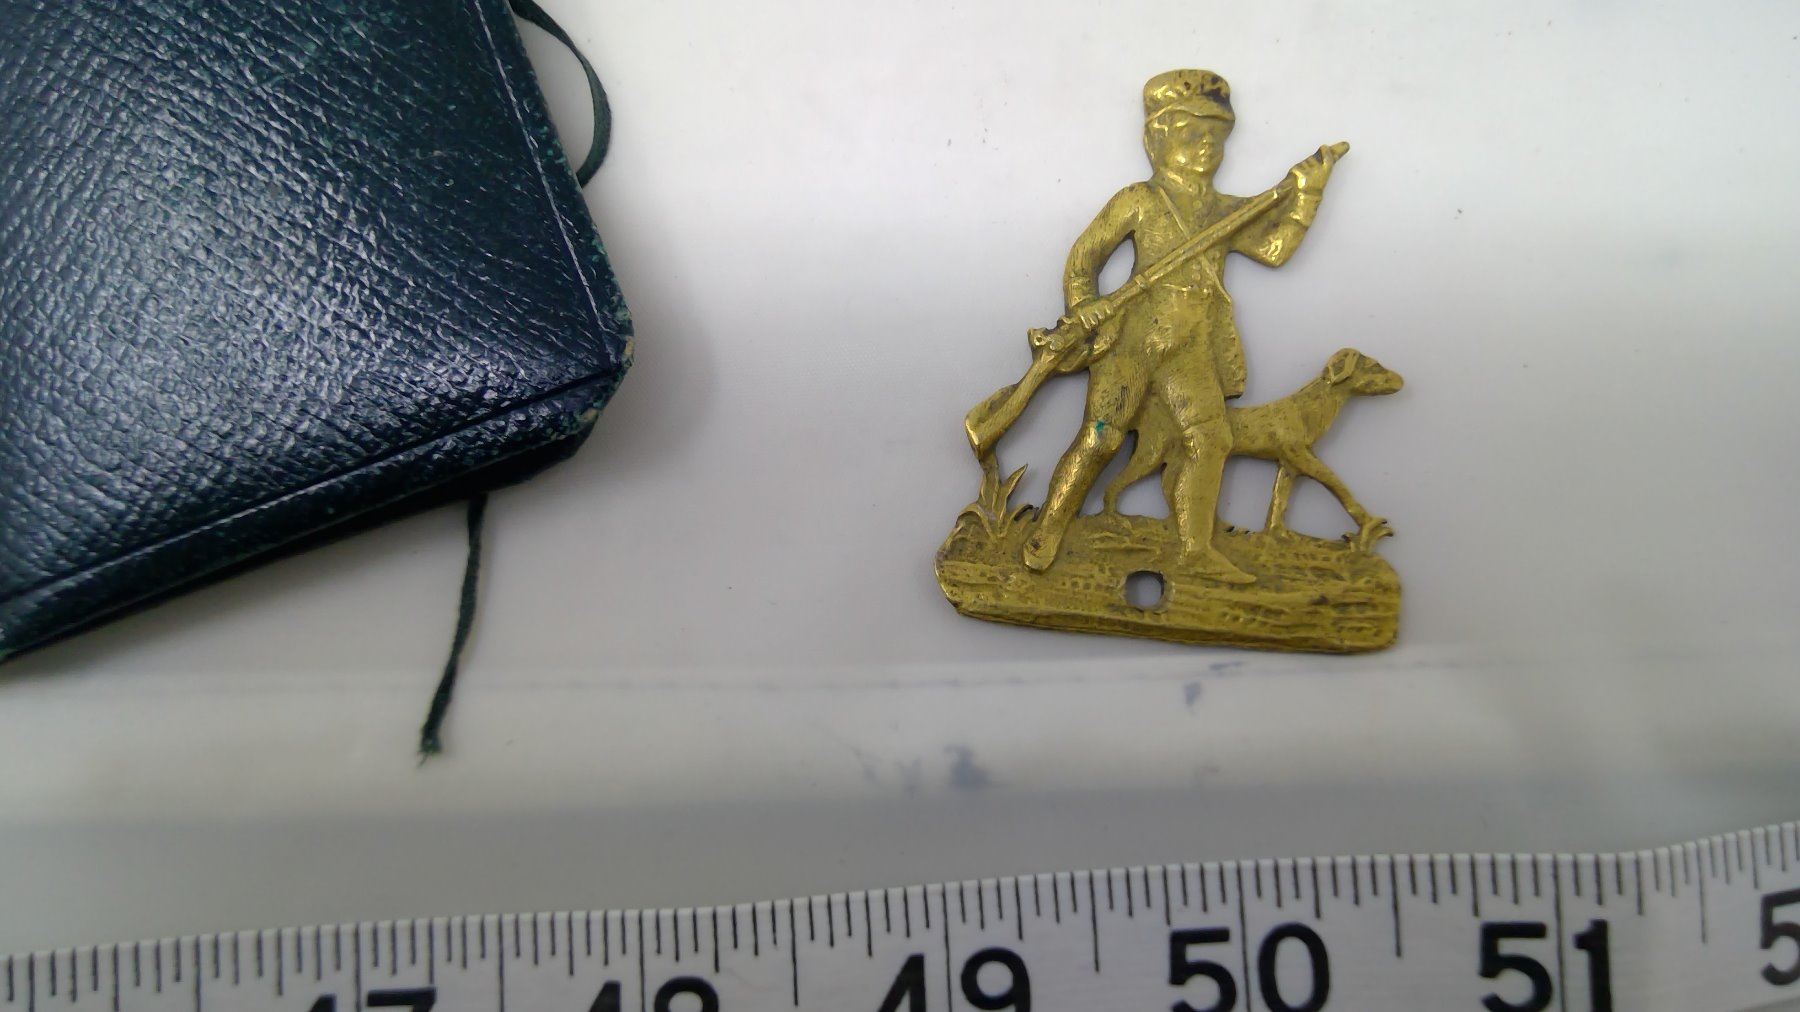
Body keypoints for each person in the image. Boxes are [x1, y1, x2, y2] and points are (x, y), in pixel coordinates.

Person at [1021, 70, 1341, 581]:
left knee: (1210, 440)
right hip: (1131, 341)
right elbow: (1084, 259)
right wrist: (1085, 305)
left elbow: (1275, 250)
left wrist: (1307, 196)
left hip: (1192, 345)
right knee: (1102, 438)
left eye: (1216, 134)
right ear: (1155, 140)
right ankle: (1050, 527)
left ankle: (1196, 551)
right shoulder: (1139, 200)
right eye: (1191, 132)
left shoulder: (1226, 211)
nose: (1206, 144)